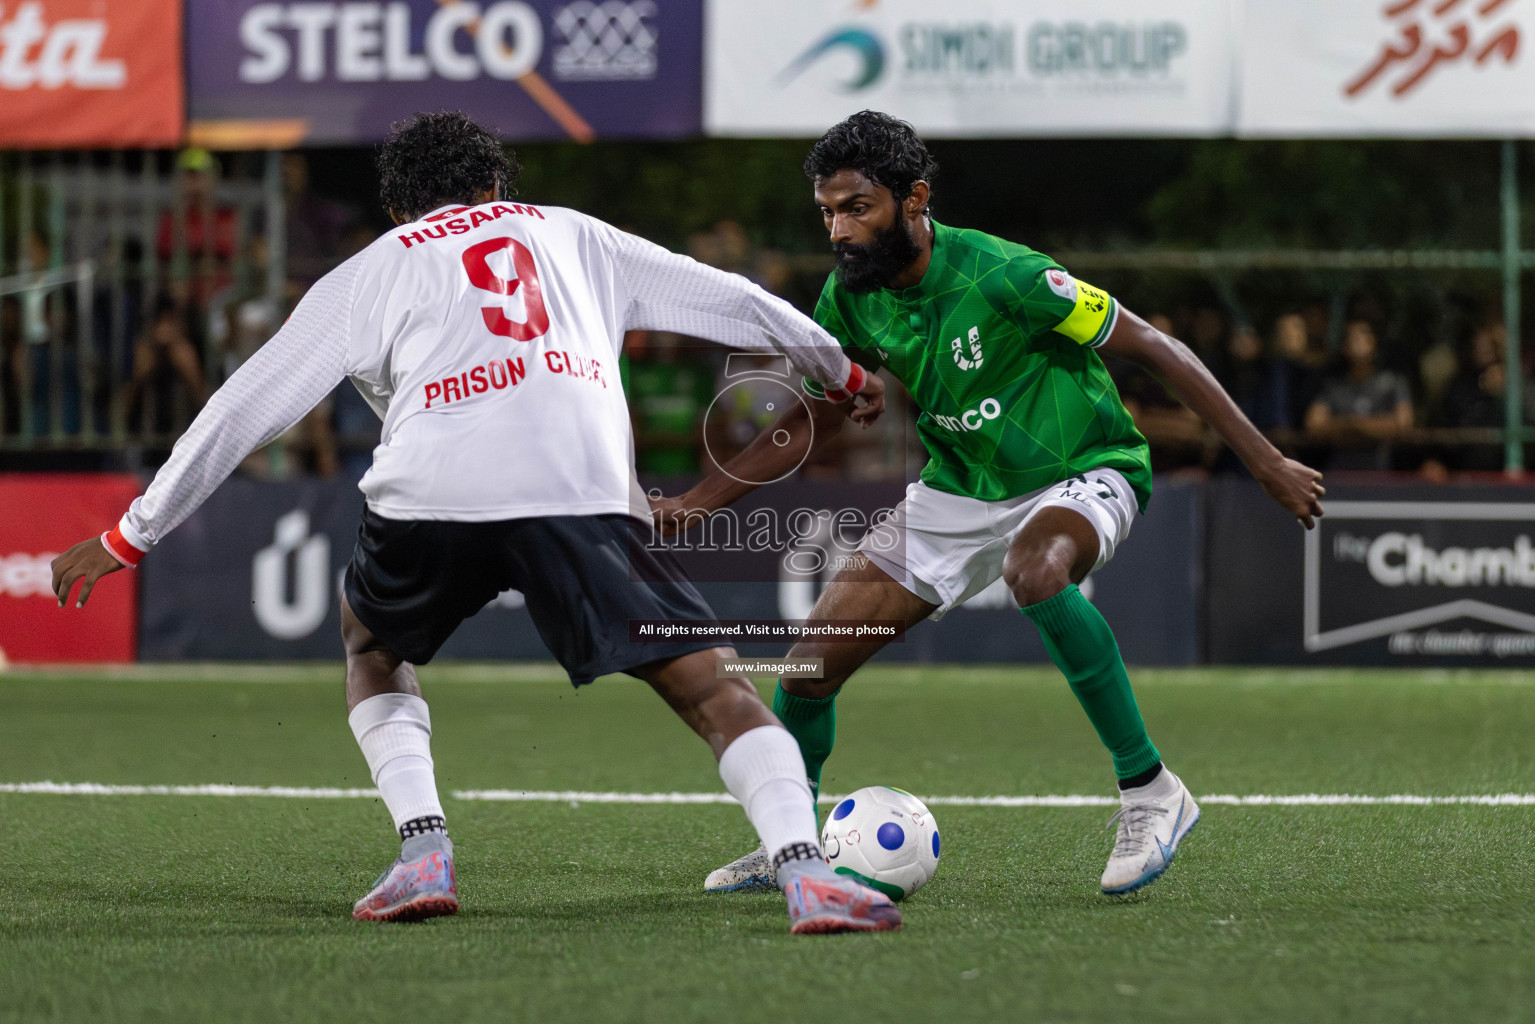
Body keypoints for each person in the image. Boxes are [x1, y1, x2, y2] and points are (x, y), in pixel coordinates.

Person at [50, 111, 896, 935]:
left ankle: (423, 851)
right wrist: (840, 368)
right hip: (580, 491)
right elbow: (733, 299)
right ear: (495, 183)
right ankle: (802, 867)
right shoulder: (575, 234)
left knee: (371, 644)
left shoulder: (368, 269)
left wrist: (132, 531)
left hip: (433, 491)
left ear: (398, 210)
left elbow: (245, 405)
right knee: (712, 685)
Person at [650, 111, 1326, 896]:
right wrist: (700, 501)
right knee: (805, 669)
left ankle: (1150, 790)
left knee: (1035, 570)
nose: (838, 229)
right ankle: (792, 844)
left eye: (856, 208)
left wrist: (1264, 460)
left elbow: (1152, 346)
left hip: (1082, 469)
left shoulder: (1005, 275)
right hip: (956, 492)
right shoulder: (849, 297)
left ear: (914, 200)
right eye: (827, 211)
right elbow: (822, 407)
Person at [1304, 318, 1413, 470]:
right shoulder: (1334, 386)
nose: (1357, 341)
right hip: (1339, 472)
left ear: (1374, 342)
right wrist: (1353, 425)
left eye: (1363, 335)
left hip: (1380, 471)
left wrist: (1358, 425)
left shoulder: (1393, 381)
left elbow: (1403, 423)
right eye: (1351, 337)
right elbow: (1314, 424)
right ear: (1344, 346)